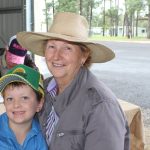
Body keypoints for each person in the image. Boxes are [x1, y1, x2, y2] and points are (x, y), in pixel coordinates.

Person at [17, 12, 130, 150]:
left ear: (83, 56)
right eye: (52, 46)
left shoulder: (100, 105)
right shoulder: (43, 88)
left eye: (67, 48)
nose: (56, 56)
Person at [0, 64, 48, 150]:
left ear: (39, 103)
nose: (16, 105)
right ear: (4, 103)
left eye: (24, 98)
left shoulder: (42, 136)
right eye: (10, 99)